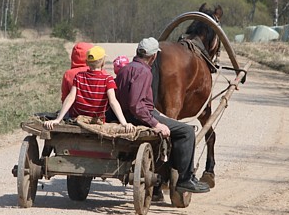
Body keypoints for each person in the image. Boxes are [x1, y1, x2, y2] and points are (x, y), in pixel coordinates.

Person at [114, 37, 210, 194]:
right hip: (139, 117)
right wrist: (155, 123)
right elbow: (136, 106)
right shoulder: (144, 72)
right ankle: (185, 179)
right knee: (187, 132)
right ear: (153, 56)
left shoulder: (125, 69)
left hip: (125, 116)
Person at [45, 46, 134, 132]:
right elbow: (113, 102)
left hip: (78, 118)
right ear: (103, 62)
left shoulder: (79, 76)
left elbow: (70, 98)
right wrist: (124, 123)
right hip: (97, 119)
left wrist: (58, 119)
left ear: (87, 63)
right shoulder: (107, 79)